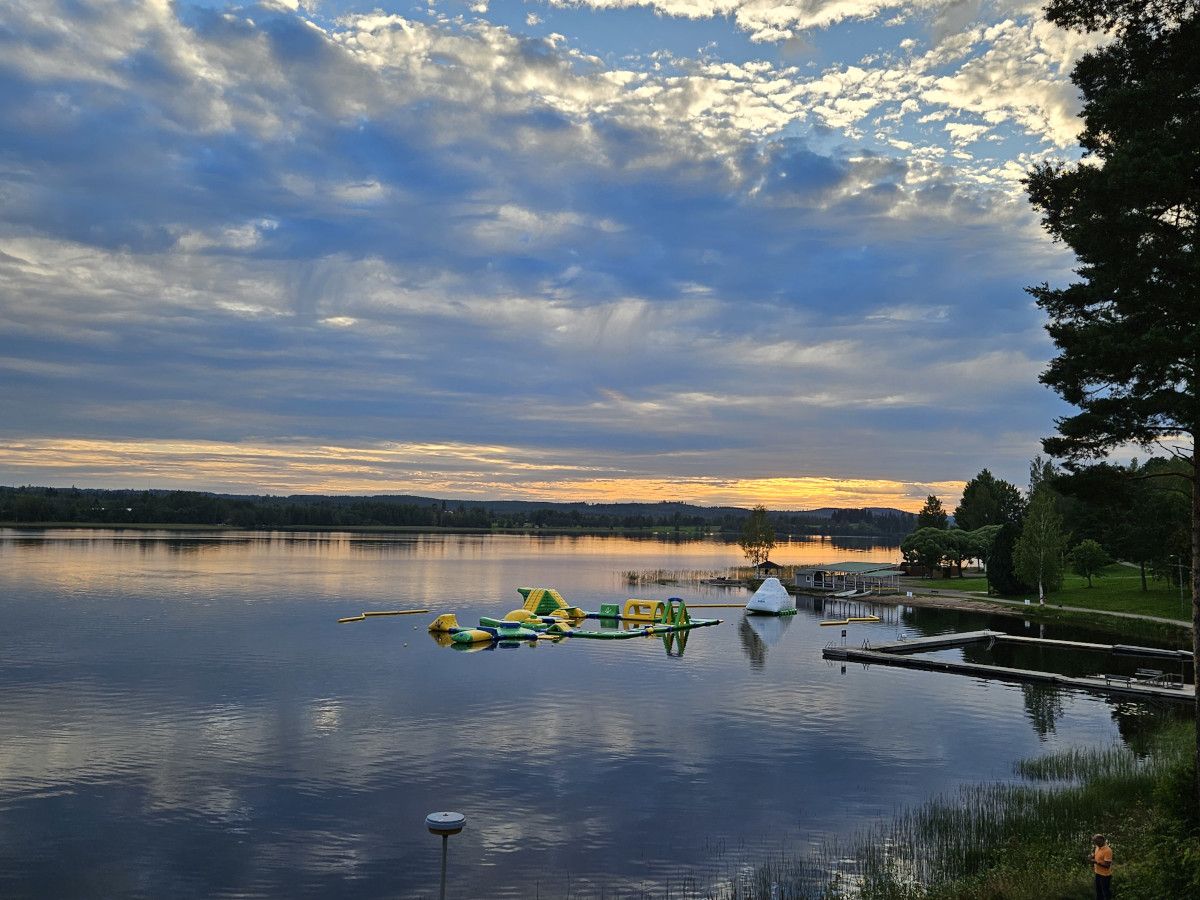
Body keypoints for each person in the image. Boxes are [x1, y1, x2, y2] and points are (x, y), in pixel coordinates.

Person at [1091, 833, 1113, 899]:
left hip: (1105, 876)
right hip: (1097, 873)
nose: (1096, 844)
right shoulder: (1098, 847)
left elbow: (1107, 865)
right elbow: (1096, 854)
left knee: (1105, 892)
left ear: (1102, 840)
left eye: (1097, 842)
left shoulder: (1108, 850)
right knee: (1098, 891)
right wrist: (1092, 856)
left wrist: (1096, 862)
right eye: (1095, 842)